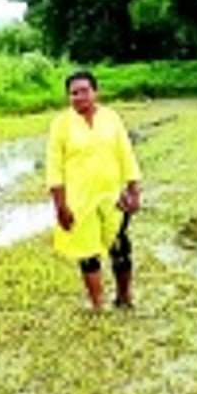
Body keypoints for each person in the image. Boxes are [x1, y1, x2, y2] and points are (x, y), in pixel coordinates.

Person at [45, 70, 143, 310]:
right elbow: (54, 168)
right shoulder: (61, 125)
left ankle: (124, 297)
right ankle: (98, 303)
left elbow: (126, 154)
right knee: (87, 253)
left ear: (95, 92)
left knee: (120, 247)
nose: (79, 97)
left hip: (113, 196)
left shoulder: (111, 118)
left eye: (84, 91)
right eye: (73, 93)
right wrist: (61, 207)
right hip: (78, 201)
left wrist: (134, 191)